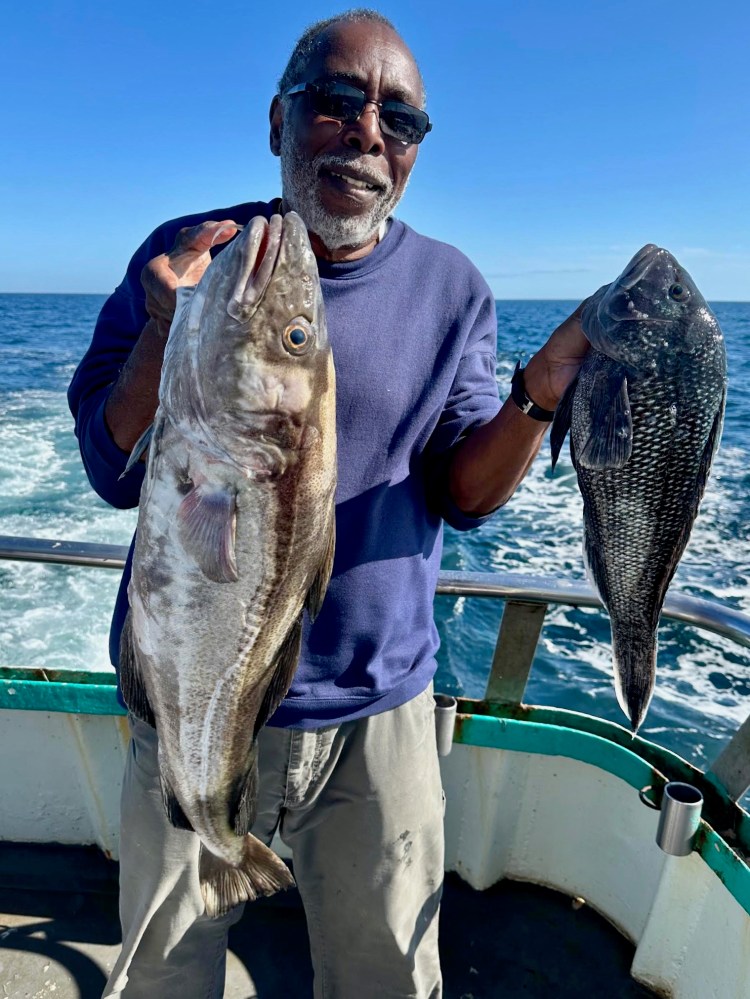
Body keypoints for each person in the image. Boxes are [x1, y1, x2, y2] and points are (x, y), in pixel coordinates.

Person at [68, 9, 589, 998]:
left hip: (377, 708)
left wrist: (539, 394)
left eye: (401, 119)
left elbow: (464, 497)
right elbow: (108, 463)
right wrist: (164, 340)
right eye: (337, 102)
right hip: (185, 702)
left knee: (386, 975)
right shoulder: (183, 257)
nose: (368, 131)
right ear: (277, 120)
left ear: (418, 151)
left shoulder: (453, 288)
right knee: (162, 980)